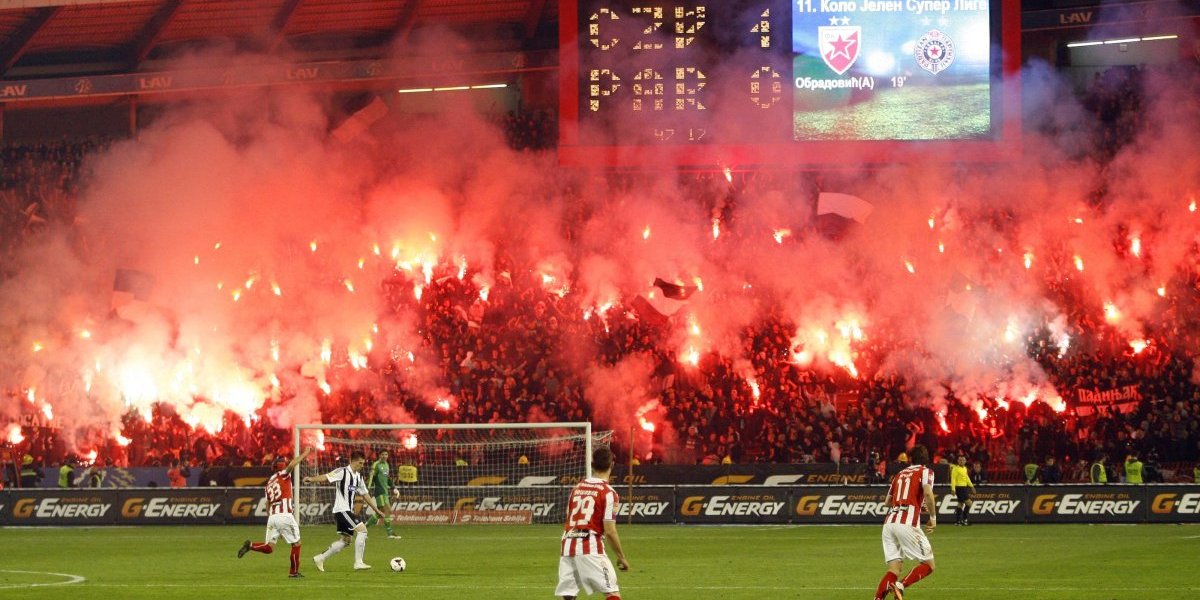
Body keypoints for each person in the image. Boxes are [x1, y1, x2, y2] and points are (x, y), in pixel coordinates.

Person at [556, 446, 630, 600]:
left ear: (592, 464)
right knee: (612, 592)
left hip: (568, 544)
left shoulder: (576, 488)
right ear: (611, 465)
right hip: (589, 545)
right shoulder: (609, 493)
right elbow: (610, 531)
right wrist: (621, 556)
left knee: (568, 594)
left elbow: (569, 517)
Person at [304, 451, 388, 571]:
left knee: (346, 540)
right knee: (362, 530)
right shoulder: (342, 471)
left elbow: (366, 495)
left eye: (363, 463)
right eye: (360, 463)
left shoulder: (359, 477)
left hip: (346, 511)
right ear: (353, 461)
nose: (362, 465)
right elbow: (326, 477)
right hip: (341, 510)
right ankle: (358, 562)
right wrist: (311, 479)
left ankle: (320, 558)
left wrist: (376, 510)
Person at [238, 447, 313, 578]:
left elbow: (267, 504)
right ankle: (293, 573)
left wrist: (273, 519)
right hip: (285, 515)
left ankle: (250, 546)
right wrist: (306, 453)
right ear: (282, 465)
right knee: (296, 544)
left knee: (269, 547)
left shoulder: (268, 484)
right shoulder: (283, 474)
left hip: (272, 517)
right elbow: (292, 464)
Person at [874, 444, 936, 600]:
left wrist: (914, 505)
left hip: (889, 523)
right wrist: (933, 518)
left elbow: (888, 502)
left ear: (910, 459)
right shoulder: (926, 471)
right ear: (926, 459)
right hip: (906, 523)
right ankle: (900, 586)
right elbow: (928, 494)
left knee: (894, 569)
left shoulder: (899, 474)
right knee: (929, 565)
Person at [364, 450, 400, 539]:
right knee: (387, 510)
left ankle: (363, 529)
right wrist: (367, 490)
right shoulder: (376, 465)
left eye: (386, 454)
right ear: (379, 455)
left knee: (380, 514)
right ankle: (390, 533)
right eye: (383, 454)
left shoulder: (386, 465)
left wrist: (393, 487)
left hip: (385, 492)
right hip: (380, 492)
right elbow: (371, 477)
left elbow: (388, 478)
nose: (384, 456)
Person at [949, 454, 974, 526]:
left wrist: (972, 486)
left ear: (965, 461)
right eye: (960, 460)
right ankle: (964, 520)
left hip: (964, 488)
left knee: (960, 504)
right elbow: (953, 479)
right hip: (959, 488)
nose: (961, 461)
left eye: (963, 460)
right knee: (969, 503)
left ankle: (958, 521)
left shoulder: (965, 468)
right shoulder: (955, 469)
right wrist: (953, 489)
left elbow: (967, 478)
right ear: (958, 461)